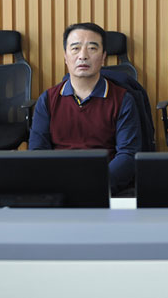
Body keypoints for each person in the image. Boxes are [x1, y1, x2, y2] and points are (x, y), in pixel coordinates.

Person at [29, 23, 142, 193]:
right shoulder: (48, 99)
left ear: (103, 57)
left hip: (105, 187)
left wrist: (94, 186)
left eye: (92, 48)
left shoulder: (123, 99)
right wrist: (60, 185)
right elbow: (38, 151)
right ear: (65, 56)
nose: (83, 56)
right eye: (75, 48)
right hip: (59, 187)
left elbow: (127, 155)